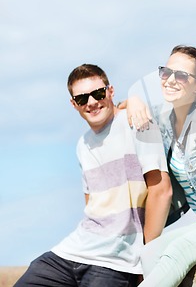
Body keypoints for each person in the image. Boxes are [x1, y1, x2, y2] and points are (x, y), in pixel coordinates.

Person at [14, 64, 171, 287]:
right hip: (72, 251)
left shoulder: (137, 123)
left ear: (111, 91)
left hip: (115, 260)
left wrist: (147, 257)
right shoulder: (83, 144)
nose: (91, 102)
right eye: (82, 99)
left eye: (98, 93)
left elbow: (161, 191)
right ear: (73, 104)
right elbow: (91, 203)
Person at [124, 45, 196, 287]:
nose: (170, 80)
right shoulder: (168, 118)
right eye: (166, 72)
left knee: (179, 251)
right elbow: (125, 107)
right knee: (149, 252)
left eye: (181, 76)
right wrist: (132, 100)